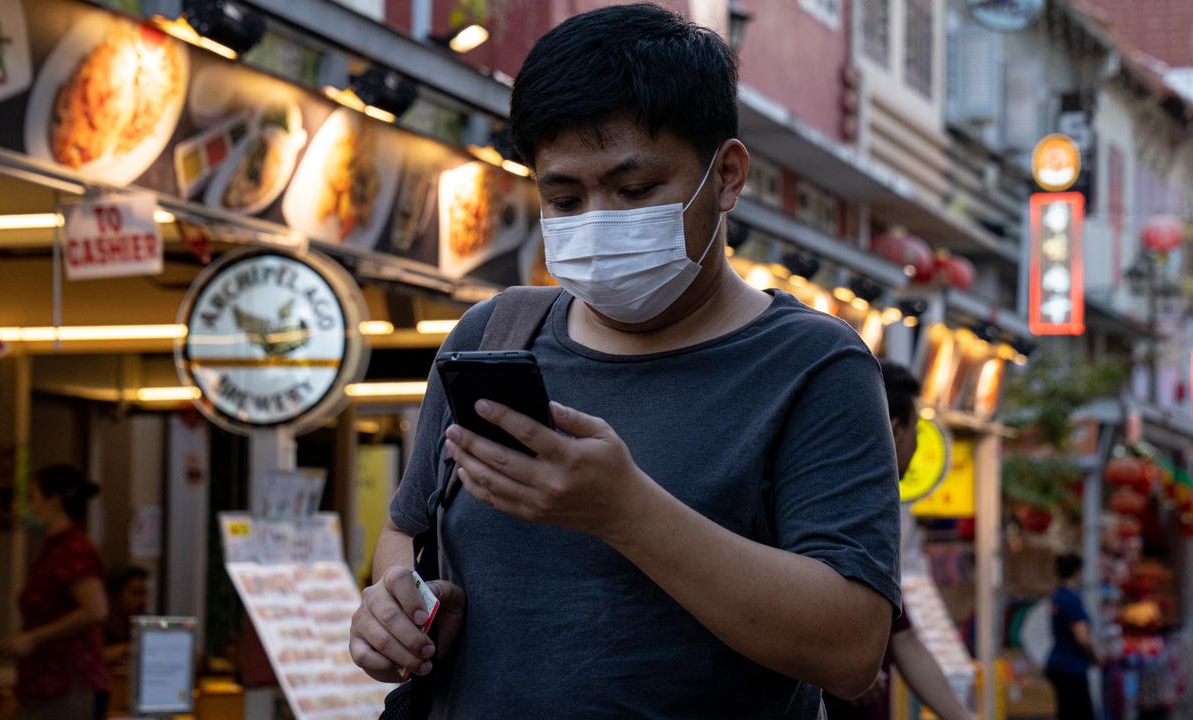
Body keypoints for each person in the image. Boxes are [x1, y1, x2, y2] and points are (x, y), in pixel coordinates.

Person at [350, 5, 901, 717]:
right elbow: (407, 530)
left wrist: (624, 511)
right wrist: (401, 608)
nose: (599, 221)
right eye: (565, 197)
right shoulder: (492, 337)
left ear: (728, 177)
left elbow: (852, 649)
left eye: (635, 190)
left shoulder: (811, 366)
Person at [826, 363, 974, 720]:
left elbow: (903, 639)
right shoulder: (837, 514)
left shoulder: (871, 513)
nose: (918, 447)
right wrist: (831, 661)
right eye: (917, 433)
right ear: (895, 431)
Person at [0, 465, 109, 720]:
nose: (31, 506)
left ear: (54, 502)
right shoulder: (54, 549)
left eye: (34, 497)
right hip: (43, 682)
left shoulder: (73, 549)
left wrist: (34, 637)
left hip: (66, 683)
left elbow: (96, 609)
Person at [1046, 553, 1096, 720]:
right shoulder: (1071, 600)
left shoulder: (1057, 597)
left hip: (1059, 663)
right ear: (1077, 571)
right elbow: (1082, 637)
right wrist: (1095, 656)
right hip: (1071, 667)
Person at [103, 564, 150, 667]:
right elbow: (96, 658)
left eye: (145, 593)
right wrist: (128, 649)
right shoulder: (96, 629)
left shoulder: (147, 624)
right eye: (136, 593)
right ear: (113, 596)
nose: (143, 600)